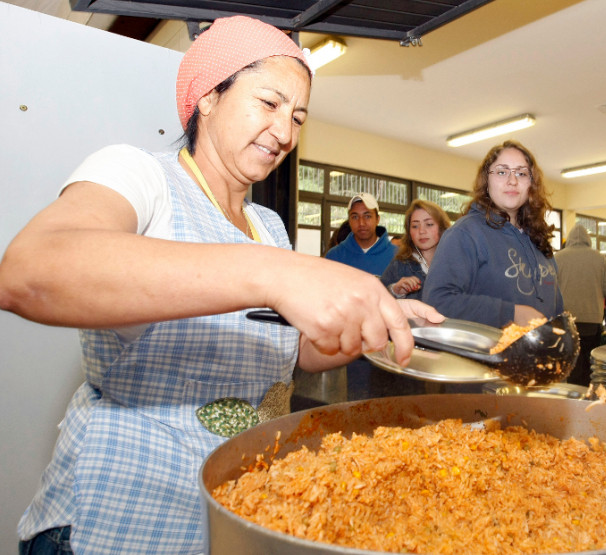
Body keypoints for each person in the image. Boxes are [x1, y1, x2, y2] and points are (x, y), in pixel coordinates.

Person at [0, 16, 442, 554]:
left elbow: (288, 347)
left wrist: (366, 327)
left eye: (299, 116)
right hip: (116, 520)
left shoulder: (269, 227)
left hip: (226, 514)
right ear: (208, 96)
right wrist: (275, 273)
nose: (286, 133)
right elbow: (31, 271)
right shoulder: (142, 176)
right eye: (270, 103)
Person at [423, 140, 563, 328]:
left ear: (531, 184)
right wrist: (511, 313)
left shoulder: (538, 238)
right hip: (484, 355)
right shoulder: (465, 234)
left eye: (521, 173)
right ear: (486, 181)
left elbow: (556, 305)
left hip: (542, 354)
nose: (512, 181)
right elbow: (437, 302)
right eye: (502, 172)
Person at [554, 223, 606, 386]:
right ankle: (590, 401)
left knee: (573, 367)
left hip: (567, 322)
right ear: (588, 240)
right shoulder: (600, 258)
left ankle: (574, 401)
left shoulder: (558, 257)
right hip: (592, 322)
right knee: (591, 368)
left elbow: (549, 289)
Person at [381, 199, 451, 301]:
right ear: (409, 232)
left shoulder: (455, 263)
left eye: (429, 224)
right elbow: (376, 298)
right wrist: (395, 290)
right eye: (415, 226)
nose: (421, 231)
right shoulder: (400, 265)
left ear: (442, 227)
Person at [325, 192, 396, 275]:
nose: (361, 223)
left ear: (377, 219)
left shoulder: (397, 256)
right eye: (355, 217)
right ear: (349, 221)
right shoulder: (334, 256)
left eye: (367, 216)